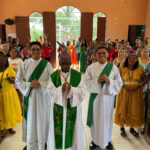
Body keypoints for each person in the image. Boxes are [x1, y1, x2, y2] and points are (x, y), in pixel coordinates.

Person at [16, 41, 53, 150]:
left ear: (41, 51)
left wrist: (40, 84)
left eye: (38, 49)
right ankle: (31, 143)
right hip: (30, 98)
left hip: (43, 99)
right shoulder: (24, 64)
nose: (36, 51)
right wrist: (29, 84)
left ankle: (43, 143)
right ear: (29, 51)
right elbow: (18, 81)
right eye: (33, 49)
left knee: (43, 119)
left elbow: (52, 82)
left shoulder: (47, 65)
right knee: (31, 120)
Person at [84, 47, 123, 150]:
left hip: (108, 100)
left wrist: (110, 81)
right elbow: (85, 83)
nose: (102, 55)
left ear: (107, 54)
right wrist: (97, 80)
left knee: (107, 120)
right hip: (96, 100)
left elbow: (119, 83)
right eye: (99, 53)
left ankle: (107, 140)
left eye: (104, 53)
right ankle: (95, 141)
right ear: (95, 55)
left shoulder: (114, 68)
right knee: (96, 120)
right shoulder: (90, 68)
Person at [47, 50, 86, 150]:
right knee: (57, 133)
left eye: (67, 62)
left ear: (71, 62)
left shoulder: (78, 76)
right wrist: (61, 90)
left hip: (73, 109)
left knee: (74, 133)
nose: (65, 65)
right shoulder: (53, 76)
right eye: (63, 63)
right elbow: (50, 92)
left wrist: (71, 90)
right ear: (59, 63)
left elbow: (83, 92)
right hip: (58, 109)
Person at [114, 52, 147, 137]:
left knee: (133, 110)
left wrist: (138, 85)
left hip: (136, 92)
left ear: (137, 60)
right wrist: (125, 86)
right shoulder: (121, 67)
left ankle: (132, 128)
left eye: (134, 58)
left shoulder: (140, 68)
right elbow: (117, 79)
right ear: (127, 59)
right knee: (123, 108)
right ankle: (122, 128)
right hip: (123, 91)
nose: (132, 60)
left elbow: (145, 79)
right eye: (130, 58)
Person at [0, 54, 22, 134]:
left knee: (9, 112)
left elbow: (14, 80)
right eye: (0, 59)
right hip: (0, 95)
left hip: (9, 95)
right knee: (1, 112)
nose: (1, 60)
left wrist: (9, 79)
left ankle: (10, 127)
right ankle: (1, 127)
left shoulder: (9, 69)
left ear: (6, 61)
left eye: (3, 59)